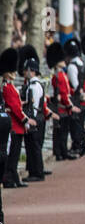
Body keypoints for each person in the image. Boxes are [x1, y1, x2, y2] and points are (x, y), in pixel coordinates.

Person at [1, 48, 31, 188]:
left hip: (17, 126)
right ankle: (9, 178)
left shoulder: (10, 86)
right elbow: (13, 107)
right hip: (14, 125)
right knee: (12, 155)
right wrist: (25, 119)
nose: (14, 73)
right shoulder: (6, 87)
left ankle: (14, 178)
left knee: (15, 154)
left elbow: (16, 104)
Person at [20, 47, 46, 182]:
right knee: (32, 147)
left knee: (34, 147)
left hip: (35, 120)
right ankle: (34, 171)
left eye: (26, 70)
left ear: (31, 71)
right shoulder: (33, 84)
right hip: (36, 119)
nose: (24, 73)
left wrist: (31, 120)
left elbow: (34, 107)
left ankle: (37, 172)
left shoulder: (35, 86)